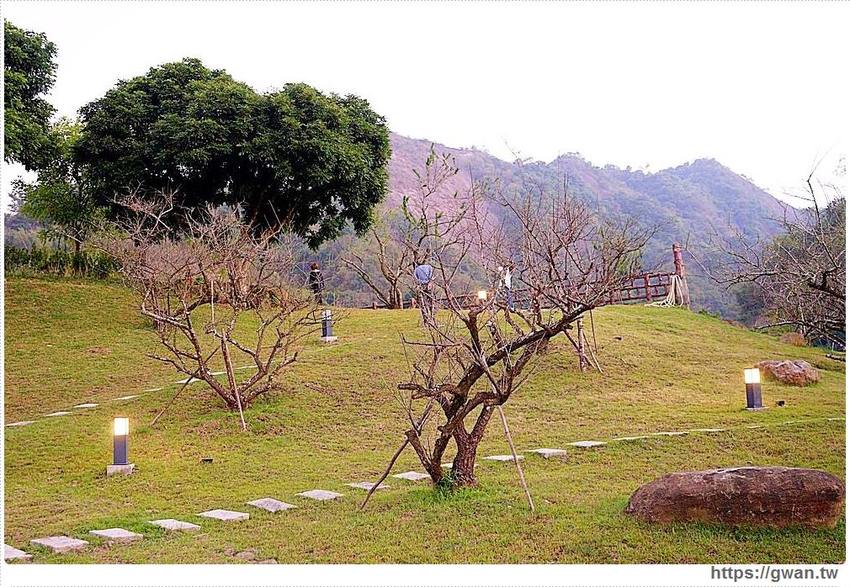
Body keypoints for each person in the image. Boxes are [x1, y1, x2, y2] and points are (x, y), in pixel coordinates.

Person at [413, 253, 435, 322]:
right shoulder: (429, 267)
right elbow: (431, 276)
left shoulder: (416, 269)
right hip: (428, 285)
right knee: (431, 301)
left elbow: (415, 278)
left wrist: (419, 284)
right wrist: (429, 283)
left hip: (421, 286)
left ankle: (426, 318)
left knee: (423, 303)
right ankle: (432, 317)